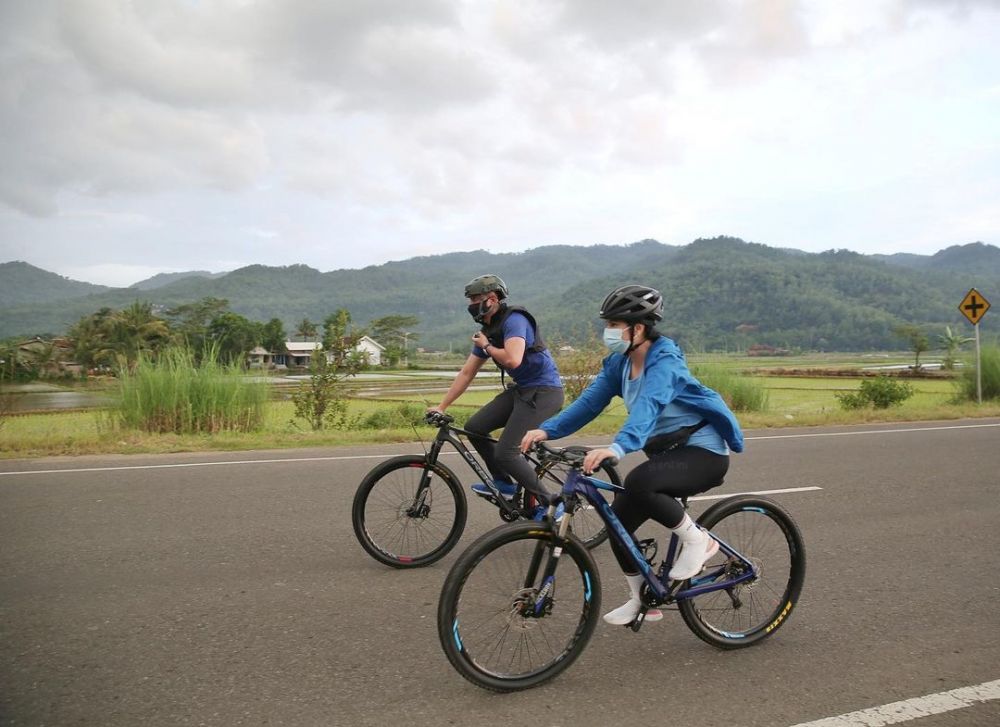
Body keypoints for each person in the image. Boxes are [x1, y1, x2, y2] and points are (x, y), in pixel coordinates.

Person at [520, 284, 744, 626]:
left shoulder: (665, 359)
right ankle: (643, 598)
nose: (608, 332)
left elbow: (650, 407)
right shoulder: (619, 364)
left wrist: (617, 447)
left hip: (704, 452)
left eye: (614, 325)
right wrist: (547, 429)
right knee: (618, 523)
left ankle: (701, 542)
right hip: (667, 454)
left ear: (637, 328)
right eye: (607, 324)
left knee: (640, 481)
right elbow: (589, 403)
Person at [428, 274, 564, 517]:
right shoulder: (487, 331)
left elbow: (513, 358)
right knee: (475, 427)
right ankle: (504, 484)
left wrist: (487, 346)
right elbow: (468, 372)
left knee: (506, 452)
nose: (471, 304)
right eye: (469, 300)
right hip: (522, 390)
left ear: (492, 298)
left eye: (475, 299)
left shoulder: (516, 320)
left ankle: (552, 505)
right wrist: (442, 406)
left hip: (544, 392)